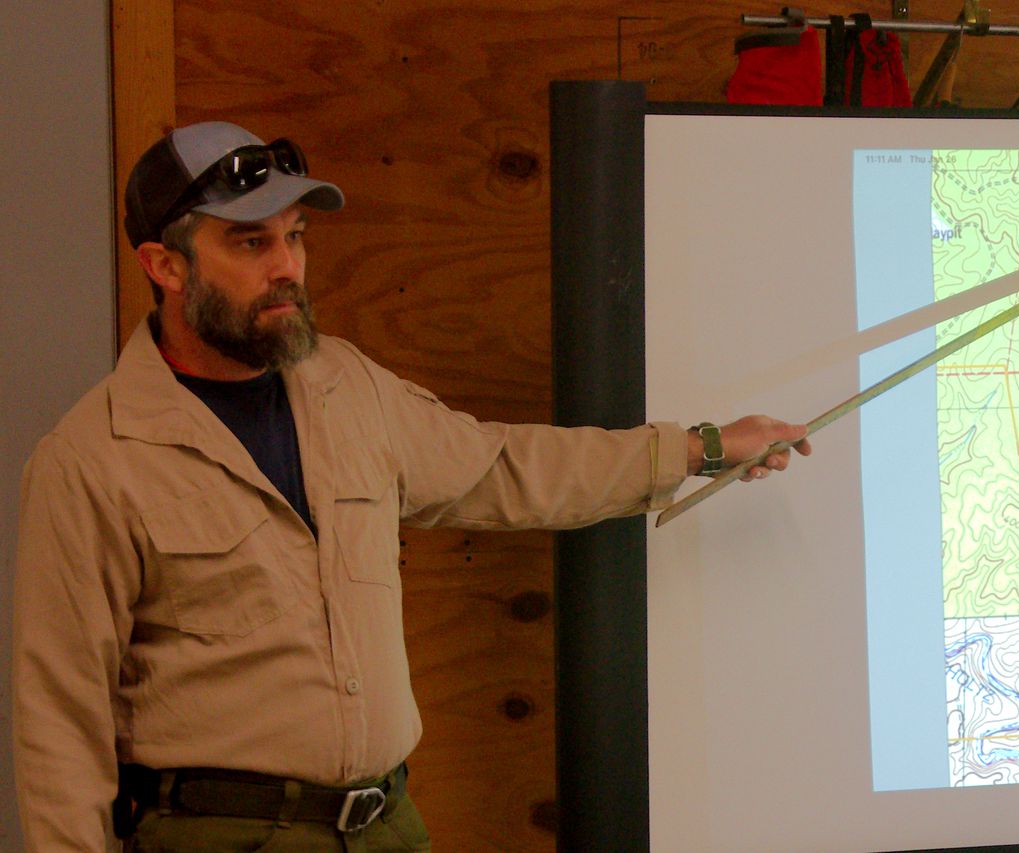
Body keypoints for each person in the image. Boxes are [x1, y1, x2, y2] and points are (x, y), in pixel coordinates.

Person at [11, 121, 811, 852]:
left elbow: (502, 468)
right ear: (166, 265)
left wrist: (702, 449)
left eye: (296, 237)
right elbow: (59, 726)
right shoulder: (93, 459)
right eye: (250, 244)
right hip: (224, 837)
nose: (287, 267)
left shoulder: (346, 387)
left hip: (388, 827)